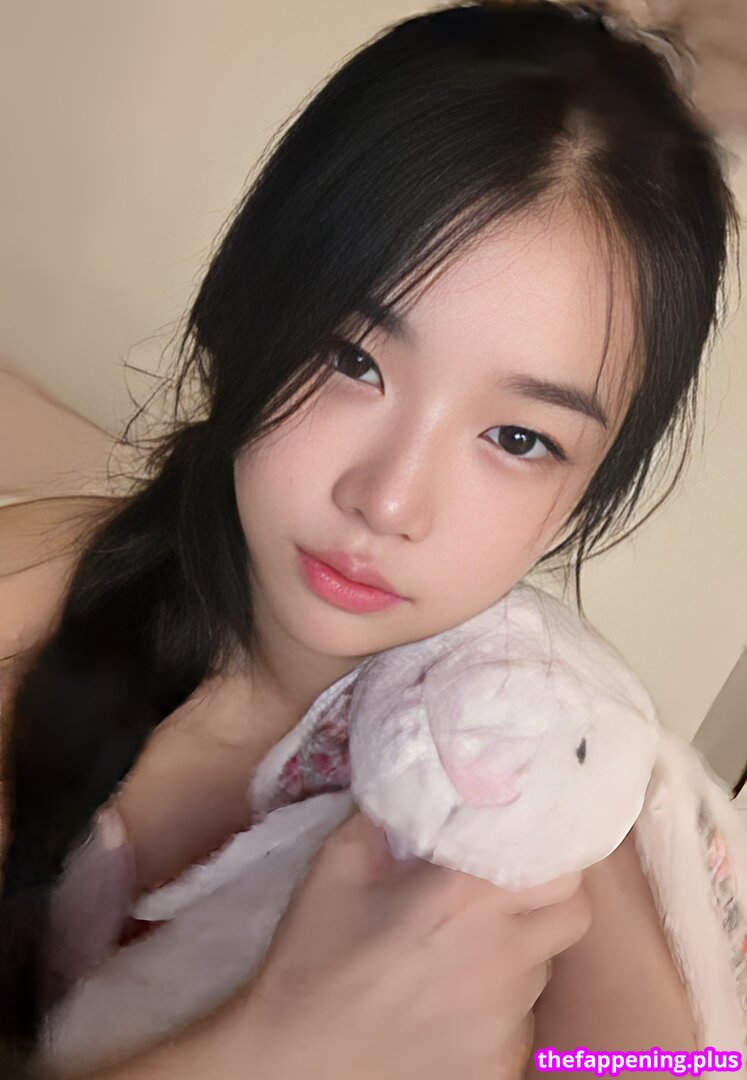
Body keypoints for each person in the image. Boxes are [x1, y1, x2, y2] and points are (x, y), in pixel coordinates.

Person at [0, 0, 741, 1075]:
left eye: (518, 438)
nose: (390, 501)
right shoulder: (33, 591)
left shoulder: (541, 801)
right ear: (245, 308)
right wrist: (274, 1043)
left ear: (587, 491)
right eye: (353, 360)